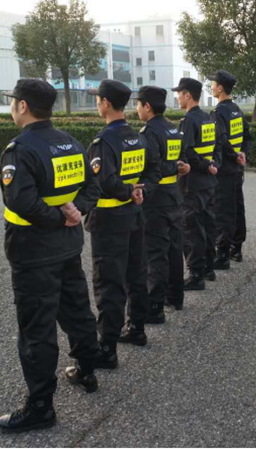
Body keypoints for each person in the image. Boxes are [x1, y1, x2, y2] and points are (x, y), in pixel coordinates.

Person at [0, 79, 101, 433]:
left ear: (23, 106)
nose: (12, 107)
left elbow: (21, 201)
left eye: (13, 102)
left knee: (37, 329)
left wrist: (60, 218)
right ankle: (87, 371)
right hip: (68, 245)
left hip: (33, 251)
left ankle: (40, 406)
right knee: (76, 309)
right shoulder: (70, 143)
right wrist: (76, 211)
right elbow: (92, 187)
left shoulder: (20, 150)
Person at [85, 80, 148, 370]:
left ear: (106, 103)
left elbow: (105, 181)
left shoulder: (104, 141)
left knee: (109, 284)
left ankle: (107, 349)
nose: (97, 103)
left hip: (109, 221)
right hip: (133, 216)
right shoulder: (136, 136)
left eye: (98, 99)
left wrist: (126, 191)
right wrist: (134, 191)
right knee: (135, 274)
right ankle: (137, 328)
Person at [135, 86, 190, 322]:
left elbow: (154, 167)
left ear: (147, 106)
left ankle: (155, 307)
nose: (136, 109)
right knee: (174, 248)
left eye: (138, 104)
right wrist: (180, 167)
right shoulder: (172, 128)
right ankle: (175, 296)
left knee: (155, 252)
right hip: (173, 195)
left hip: (156, 198)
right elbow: (180, 159)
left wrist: (175, 167)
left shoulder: (149, 132)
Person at [172, 77, 222, 290]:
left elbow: (188, 152)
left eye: (179, 93)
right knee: (208, 225)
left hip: (192, 183)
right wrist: (213, 164)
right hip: (208, 182)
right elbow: (217, 145)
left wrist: (204, 165)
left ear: (187, 95)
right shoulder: (208, 118)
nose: (177, 97)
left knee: (191, 229)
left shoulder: (189, 121)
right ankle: (209, 268)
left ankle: (195, 275)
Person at [208, 70, 250, 270]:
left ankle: (222, 254)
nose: (211, 87)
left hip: (224, 169)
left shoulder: (218, 112)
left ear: (220, 88)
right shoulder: (236, 110)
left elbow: (221, 140)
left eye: (213, 84)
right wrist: (243, 154)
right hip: (237, 169)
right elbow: (247, 136)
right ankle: (237, 249)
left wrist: (234, 156)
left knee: (222, 210)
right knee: (237, 207)